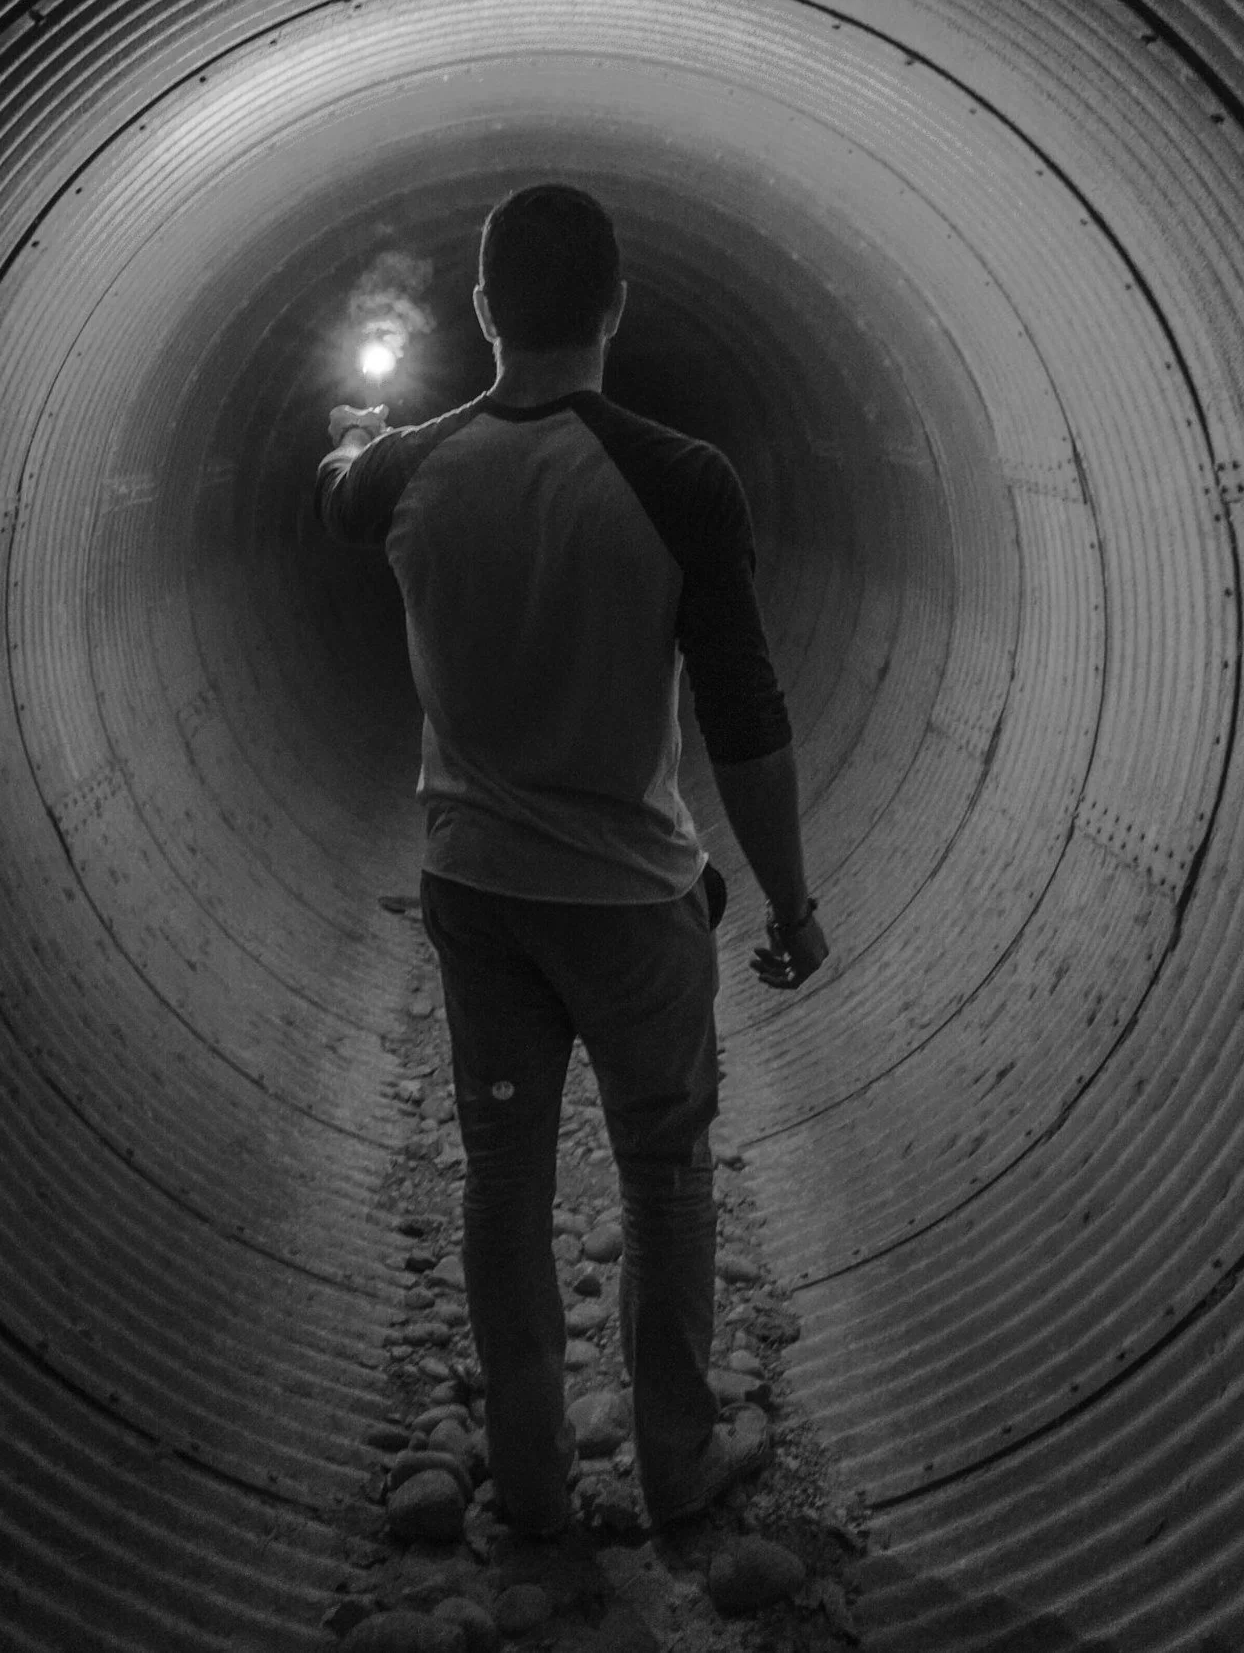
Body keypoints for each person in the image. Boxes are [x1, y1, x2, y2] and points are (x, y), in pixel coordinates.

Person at [314, 183, 830, 1539]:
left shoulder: (410, 470)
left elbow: (340, 493)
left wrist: (354, 440)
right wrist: (789, 898)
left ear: (486, 310)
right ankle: (674, 1464)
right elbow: (747, 717)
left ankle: (533, 1489)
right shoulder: (680, 478)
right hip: (631, 900)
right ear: (616, 306)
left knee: (504, 1176)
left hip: (478, 896)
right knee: (663, 1172)